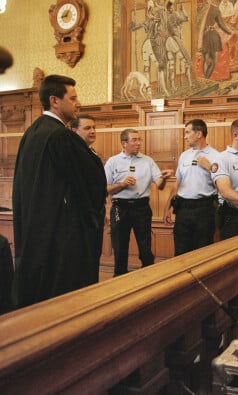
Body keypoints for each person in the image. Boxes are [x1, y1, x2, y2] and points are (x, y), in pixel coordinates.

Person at [11, 75, 107, 308]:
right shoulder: (60, 136)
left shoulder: (32, 132)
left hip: (36, 230)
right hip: (62, 235)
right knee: (66, 301)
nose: (79, 103)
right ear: (55, 100)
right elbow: (92, 181)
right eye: (73, 98)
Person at [104, 128, 173, 276]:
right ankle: (119, 279)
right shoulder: (113, 161)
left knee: (145, 247)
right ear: (124, 143)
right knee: (120, 246)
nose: (138, 143)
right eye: (134, 140)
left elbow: (159, 185)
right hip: (119, 208)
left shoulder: (148, 161)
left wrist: (164, 177)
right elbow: (107, 189)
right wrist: (122, 184)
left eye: (139, 139)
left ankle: (148, 279)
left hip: (141, 207)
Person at [164, 119, 220, 255]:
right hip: (183, 209)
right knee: (180, 252)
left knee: (201, 252)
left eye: (188, 132)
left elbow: (222, 184)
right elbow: (177, 183)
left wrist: (209, 167)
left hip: (204, 210)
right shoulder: (184, 155)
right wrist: (167, 207)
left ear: (199, 134)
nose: (185, 136)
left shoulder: (216, 156)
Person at [71, 114, 107, 271]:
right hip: (82, 218)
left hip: (96, 214)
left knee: (93, 257)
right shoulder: (74, 154)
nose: (93, 131)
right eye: (87, 128)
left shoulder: (90, 152)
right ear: (74, 131)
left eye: (94, 127)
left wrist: (101, 211)